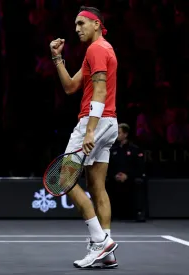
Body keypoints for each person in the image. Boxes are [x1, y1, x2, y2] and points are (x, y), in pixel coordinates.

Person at [50, 6, 119, 268]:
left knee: (64, 180)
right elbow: (70, 87)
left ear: (96, 24)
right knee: (96, 188)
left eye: (81, 24)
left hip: (94, 122)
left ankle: (100, 241)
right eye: (76, 25)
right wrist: (57, 58)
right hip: (108, 122)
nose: (77, 29)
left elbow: (99, 91)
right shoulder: (100, 50)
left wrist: (90, 129)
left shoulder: (97, 49)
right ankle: (107, 251)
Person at [107, 123, 146, 221]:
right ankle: (108, 213)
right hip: (115, 178)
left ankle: (139, 212)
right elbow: (109, 167)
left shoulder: (135, 149)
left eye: (119, 133)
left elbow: (139, 167)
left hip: (130, 178)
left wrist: (127, 175)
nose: (117, 135)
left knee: (139, 182)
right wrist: (115, 175)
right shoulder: (112, 150)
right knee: (106, 182)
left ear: (125, 134)